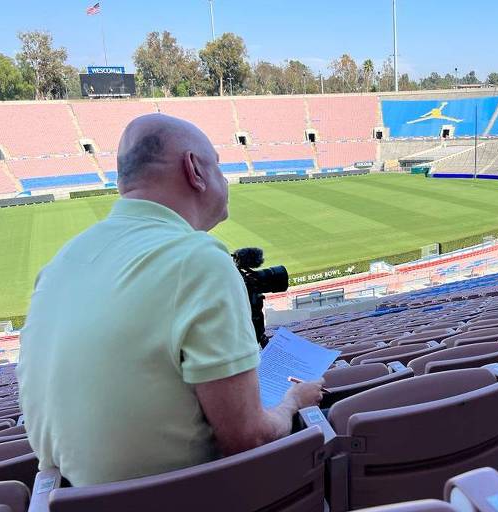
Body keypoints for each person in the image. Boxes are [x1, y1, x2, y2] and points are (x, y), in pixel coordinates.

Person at [17, 114, 323, 486]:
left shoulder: (59, 263)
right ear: (194, 169)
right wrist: (292, 402)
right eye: (219, 166)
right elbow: (249, 438)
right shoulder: (198, 258)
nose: (223, 179)